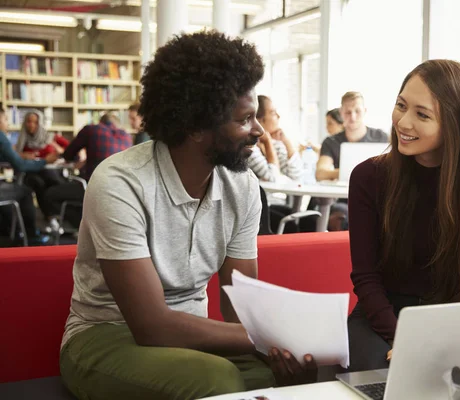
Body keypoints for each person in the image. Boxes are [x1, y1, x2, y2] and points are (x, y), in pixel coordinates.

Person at [60, 31, 315, 400]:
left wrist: (282, 346)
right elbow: (152, 327)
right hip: (104, 336)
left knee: (299, 371)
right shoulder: (120, 182)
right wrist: (275, 332)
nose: (258, 132)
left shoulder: (241, 187)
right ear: (196, 127)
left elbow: (239, 308)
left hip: (194, 336)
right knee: (217, 381)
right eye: (245, 120)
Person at [345, 60, 460, 372]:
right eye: (400, 105)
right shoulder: (369, 177)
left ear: (455, 125)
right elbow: (366, 278)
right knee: (380, 379)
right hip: (379, 318)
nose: (403, 122)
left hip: (444, 325)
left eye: (422, 115)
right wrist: (403, 340)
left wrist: (434, 342)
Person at [41, 113, 131, 229]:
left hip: (93, 187)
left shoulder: (91, 129)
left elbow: (69, 154)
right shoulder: (126, 136)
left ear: (100, 122)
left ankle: (83, 226)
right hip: (121, 191)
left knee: (49, 195)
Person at [0, 108, 57, 245]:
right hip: (28, 172)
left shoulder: (46, 137)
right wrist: (45, 161)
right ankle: (31, 236)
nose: (7, 123)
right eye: (5, 119)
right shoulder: (2, 137)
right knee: (25, 192)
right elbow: (20, 165)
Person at [315, 91, 388, 181]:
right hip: (344, 193)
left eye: (357, 111)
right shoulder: (331, 141)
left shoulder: (381, 137)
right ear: (341, 113)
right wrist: (355, 172)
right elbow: (320, 173)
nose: (353, 117)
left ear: (364, 111)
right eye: (348, 112)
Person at [15, 110, 68, 228]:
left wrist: (57, 149)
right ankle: (49, 216)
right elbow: (14, 155)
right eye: (29, 121)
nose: (31, 125)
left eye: (35, 122)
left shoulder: (51, 137)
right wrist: (23, 155)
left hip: (51, 170)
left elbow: (70, 150)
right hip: (31, 172)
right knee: (37, 183)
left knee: (53, 181)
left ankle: (60, 215)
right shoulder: (22, 140)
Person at [248, 95, 303, 183]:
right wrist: (267, 142)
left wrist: (287, 142)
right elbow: (273, 178)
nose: (278, 116)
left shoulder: (276, 144)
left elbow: (296, 177)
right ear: (259, 120)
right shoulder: (249, 146)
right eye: (273, 113)